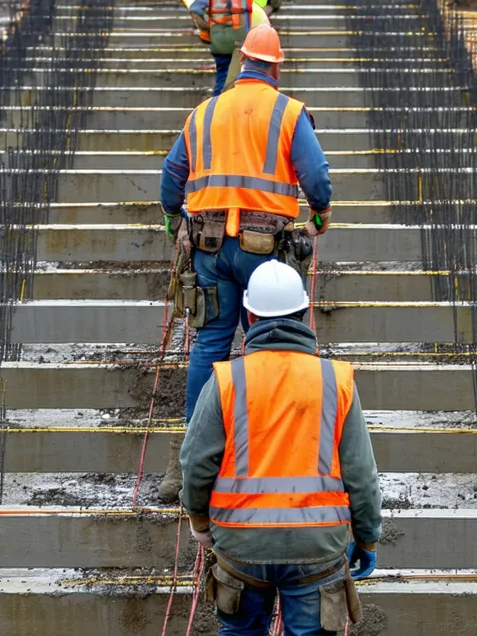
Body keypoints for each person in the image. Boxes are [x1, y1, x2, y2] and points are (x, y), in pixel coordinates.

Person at [179, 260, 382, 636]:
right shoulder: (336, 380)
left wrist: (201, 524)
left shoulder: (227, 379)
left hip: (241, 546)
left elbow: (195, 464)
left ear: (248, 318)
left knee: (241, 633)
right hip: (318, 548)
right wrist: (368, 538)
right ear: (306, 314)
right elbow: (361, 476)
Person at [157, 24, 333, 504]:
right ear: (275, 66)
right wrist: (320, 212)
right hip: (265, 251)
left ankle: (192, 458)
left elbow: (172, 175)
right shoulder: (289, 113)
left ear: (242, 64)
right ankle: (269, 446)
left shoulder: (204, 112)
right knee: (270, 344)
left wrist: (175, 217)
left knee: (210, 344)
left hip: (210, 248)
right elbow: (316, 177)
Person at [185, 0, 275, 97]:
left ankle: (219, 103)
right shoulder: (247, 3)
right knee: (242, 73)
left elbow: (195, 9)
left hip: (219, 39)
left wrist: (207, 28)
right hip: (241, 38)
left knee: (223, 74)